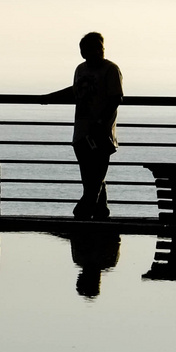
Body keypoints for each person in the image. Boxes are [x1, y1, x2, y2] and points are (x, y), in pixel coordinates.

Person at [54, 32, 122, 220]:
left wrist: (101, 124)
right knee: (92, 179)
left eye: (99, 48)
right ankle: (101, 214)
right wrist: (49, 98)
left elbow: (116, 98)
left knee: (94, 180)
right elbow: (75, 91)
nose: (97, 52)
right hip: (82, 133)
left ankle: (81, 214)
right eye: (92, 49)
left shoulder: (111, 69)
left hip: (101, 134)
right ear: (83, 52)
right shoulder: (81, 69)